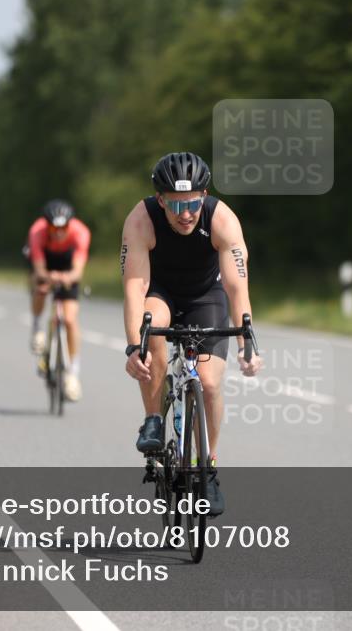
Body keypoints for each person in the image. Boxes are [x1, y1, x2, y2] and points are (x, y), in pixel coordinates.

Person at [121, 152, 263, 515]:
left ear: (205, 194)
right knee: (152, 325)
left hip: (206, 296)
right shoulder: (141, 221)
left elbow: (236, 289)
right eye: (177, 204)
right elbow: (135, 290)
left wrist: (247, 342)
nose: (186, 213)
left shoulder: (222, 219)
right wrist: (135, 348)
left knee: (211, 384)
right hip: (161, 291)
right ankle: (154, 419)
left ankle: (208, 468)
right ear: (161, 200)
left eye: (194, 202)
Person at [27, 199, 91, 401]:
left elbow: (78, 272)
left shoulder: (81, 233)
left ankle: (72, 372)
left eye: (63, 227)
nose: (59, 231)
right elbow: (38, 269)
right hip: (46, 260)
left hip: (67, 265)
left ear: (69, 224)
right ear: (47, 225)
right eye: (54, 227)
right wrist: (46, 279)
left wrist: (65, 278)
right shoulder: (37, 232)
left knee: (70, 319)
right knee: (40, 290)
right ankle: (37, 327)